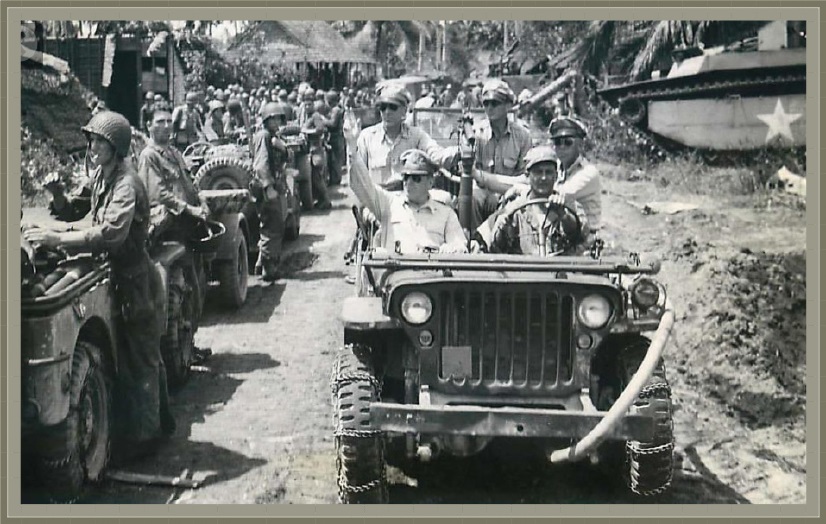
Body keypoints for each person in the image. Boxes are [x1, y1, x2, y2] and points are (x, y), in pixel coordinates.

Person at [23, 111, 175, 460]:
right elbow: (80, 206)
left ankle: (145, 444)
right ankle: (158, 425)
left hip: (137, 279)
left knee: (141, 360)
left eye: (98, 142)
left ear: (115, 146)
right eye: (90, 140)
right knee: (139, 355)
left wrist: (56, 238)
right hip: (122, 277)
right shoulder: (103, 175)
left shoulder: (127, 183)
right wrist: (59, 195)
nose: (91, 147)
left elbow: (109, 233)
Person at [350, 147, 467, 254]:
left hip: (432, 274)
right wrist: (352, 147)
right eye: (406, 177)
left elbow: (459, 245)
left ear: (430, 182)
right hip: (394, 272)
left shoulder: (446, 214)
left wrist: (451, 248)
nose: (408, 182)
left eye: (416, 178)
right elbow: (363, 186)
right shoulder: (389, 204)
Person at [475, 146, 589, 256]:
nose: (543, 177)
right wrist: (505, 227)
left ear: (556, 175)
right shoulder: (514, 209)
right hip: (523, 271)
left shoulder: (569, 204)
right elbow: (494, 246)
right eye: (538, 172)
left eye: (548, 172)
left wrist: (564, 216)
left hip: (560, 271)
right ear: (527, 176)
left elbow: (583, 237)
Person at [457, 79, 533, 228]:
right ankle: (474, 243)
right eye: (486, 103)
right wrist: (465, 139)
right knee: (471, 197)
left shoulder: (522, 136)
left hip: (509, 191)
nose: (489, 108)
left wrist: (498, 188)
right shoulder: (476, 134)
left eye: (495, 103)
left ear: (508, 105)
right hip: (481, 193)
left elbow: (527, 178)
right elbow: (468, 171)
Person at [355, 84, 458, 188]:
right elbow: (357, 176)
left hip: (407, 198)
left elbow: (435, 153)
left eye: (393, 107)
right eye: (383, 107)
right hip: (377, 200)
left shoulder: (416, 136)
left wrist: (457, 152)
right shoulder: (367, 137)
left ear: (404, 110)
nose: (387, 112)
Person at [251, 102, 291, 281]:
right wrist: (268, 187)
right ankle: (268, 269)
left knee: (274, 225)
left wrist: (283, 147)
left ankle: (263, 264)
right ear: (266, 119)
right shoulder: (263, 136)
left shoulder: (272, 136)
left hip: (273, 185)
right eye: (272, 118)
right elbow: (261, 164)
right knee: (271, 227)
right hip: (266, 188)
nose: (276, 122)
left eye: (278, 118)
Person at [546, 116, 602, 232]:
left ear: (580, 145)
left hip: (585, 239)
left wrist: (519, 189)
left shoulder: (588, 172)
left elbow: (559, 194)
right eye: (557, 142)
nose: (562, 147)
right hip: (562, 233)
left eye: (568, 142)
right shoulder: (555, 167)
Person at [325, 89, 346, 186]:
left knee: (335, 159)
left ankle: (336, 179)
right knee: (334, 159)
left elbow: (332, 124)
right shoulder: (337, 108)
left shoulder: (335, 110)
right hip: (337, 137)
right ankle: (335, 178)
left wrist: (323, 120)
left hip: (336, 137)